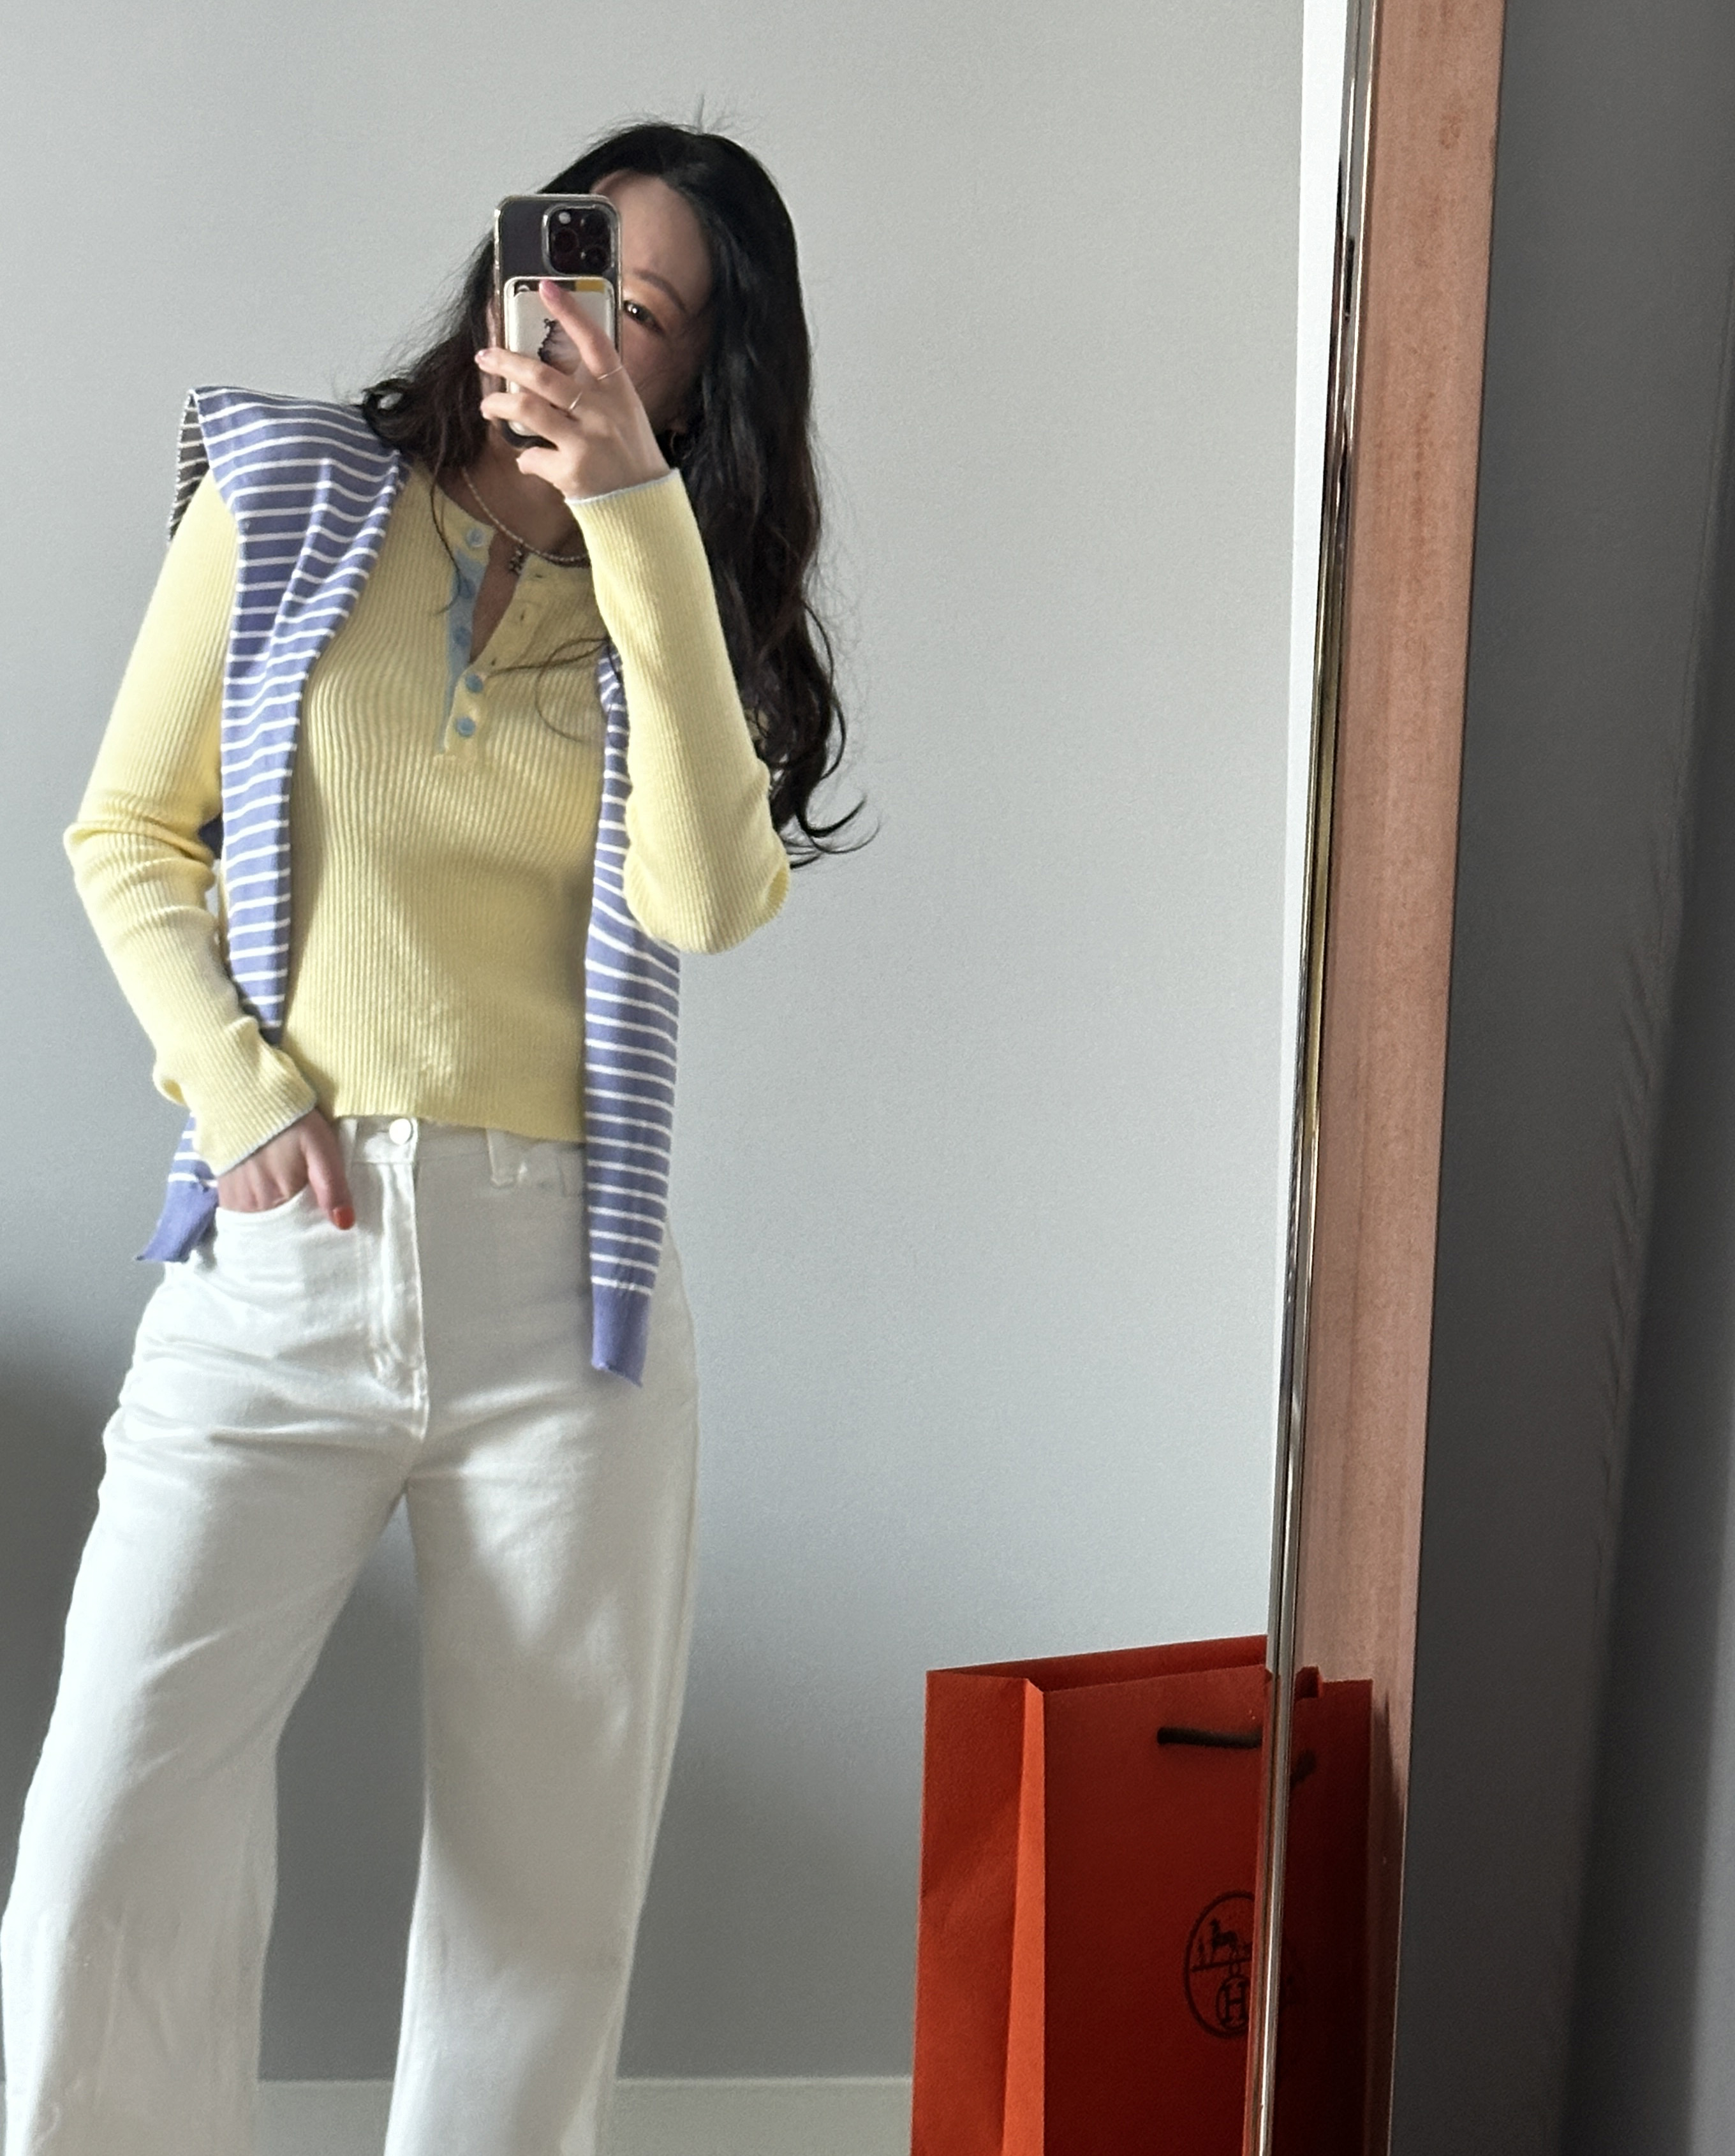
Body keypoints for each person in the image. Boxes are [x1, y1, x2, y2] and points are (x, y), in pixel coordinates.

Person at [0, 121, 851, 2156]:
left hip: (565, 1310)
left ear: (693, 381)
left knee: (539, 1905)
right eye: (573, 268)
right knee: (111, 1838)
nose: (581, 328)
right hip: (278, 1262)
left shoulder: (673, 610)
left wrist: (635, 518)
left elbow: (705, 898)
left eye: (645, 317)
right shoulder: (295, 492)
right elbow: (127, 832)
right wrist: (239, 1089)